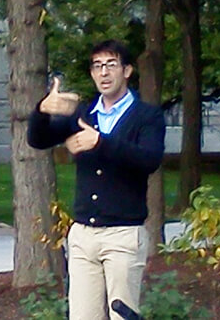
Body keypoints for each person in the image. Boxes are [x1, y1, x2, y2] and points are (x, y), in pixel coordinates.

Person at [27, 40, 165, 320]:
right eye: (97, 66)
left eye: (111, 65)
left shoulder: (147, 116)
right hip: (83, 236)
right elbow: (38, 140)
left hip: (123, 234)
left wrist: (100, 141)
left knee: (122, 315)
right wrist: (42, 109)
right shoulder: (83, 114)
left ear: (126, 71)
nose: (104, 73)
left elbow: (149, 160)